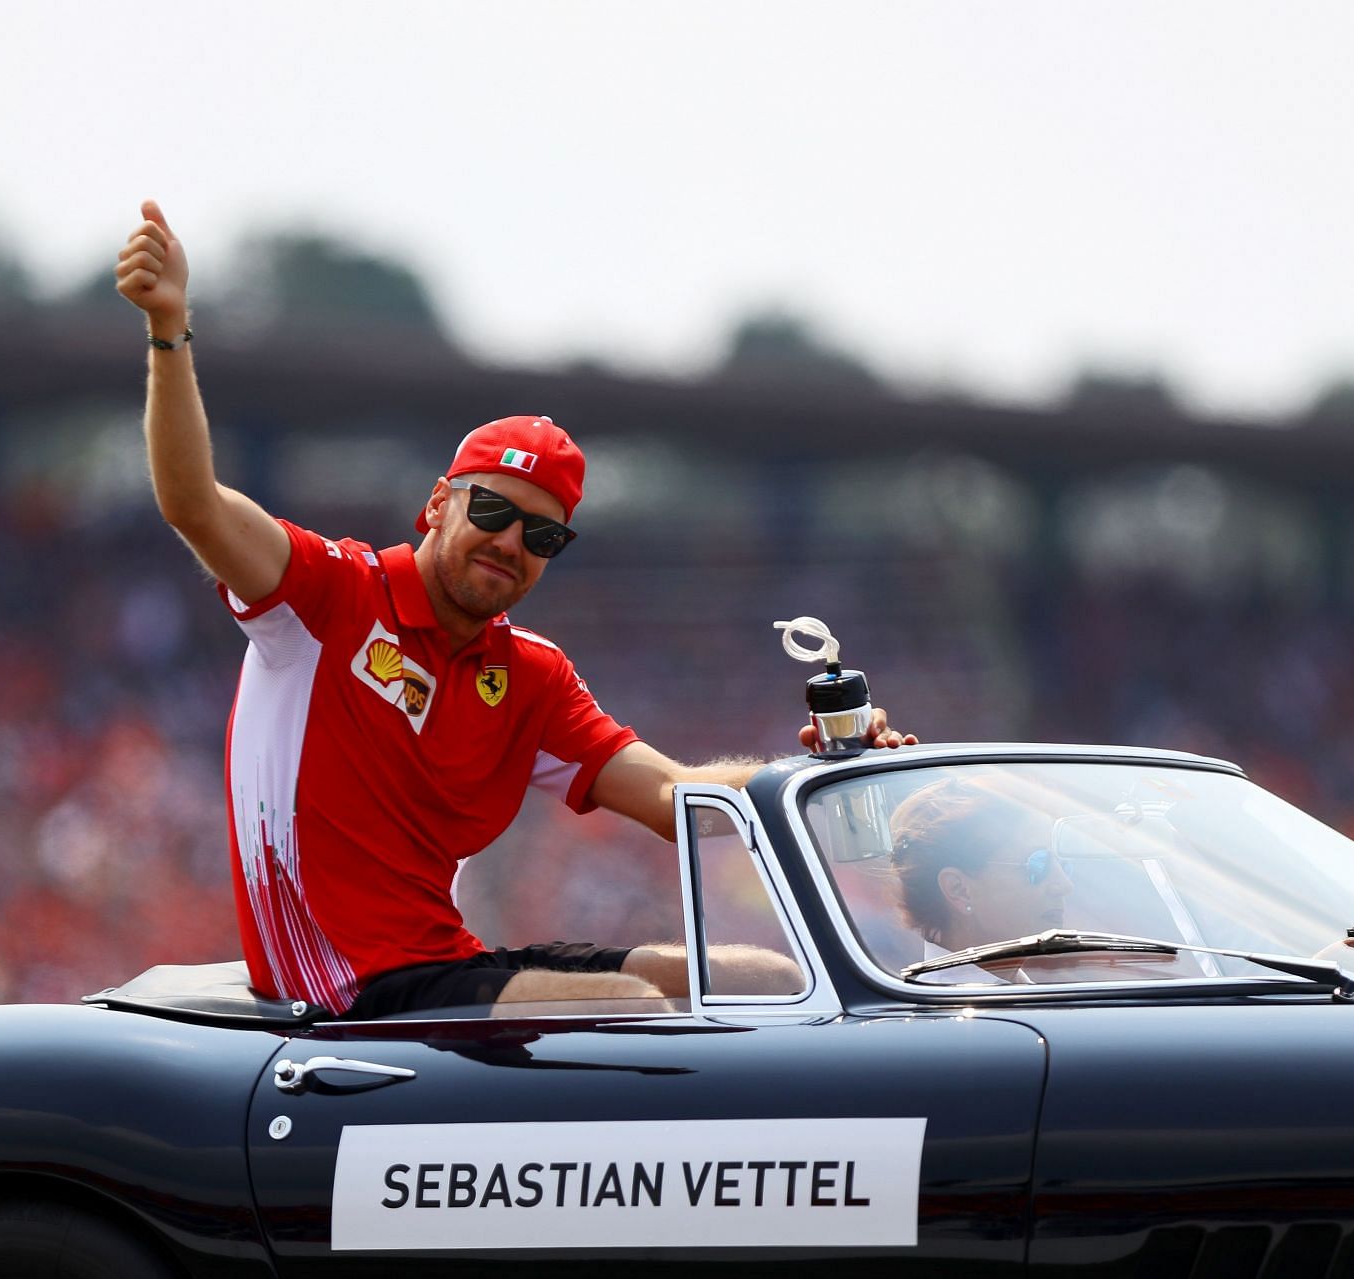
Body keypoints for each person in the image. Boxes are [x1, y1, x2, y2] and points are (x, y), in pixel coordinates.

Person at [113, 201, 914, 1018]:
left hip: (445, 963)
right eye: (492, 512)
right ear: (438, 504)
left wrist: (829, 770)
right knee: (630, 1006)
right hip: (346, 991)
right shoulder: (330, 592)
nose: (509, 542)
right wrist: (169, 329)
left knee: (766, 979)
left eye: (541, 534)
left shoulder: (530, 674)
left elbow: (680, 800)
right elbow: (192, 504)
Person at [888, 778, 1072, 982]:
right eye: (1038, 864)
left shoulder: (1019, 990)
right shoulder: (943, 1008)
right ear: (959, 889)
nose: (1064, 885)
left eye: (1061, 864)